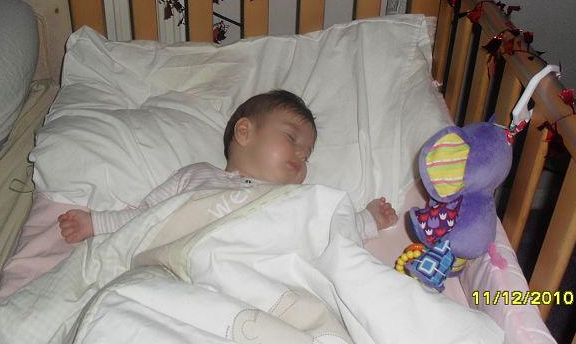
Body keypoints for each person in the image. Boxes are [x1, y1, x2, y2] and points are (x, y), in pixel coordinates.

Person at [58, 90, 397, 243]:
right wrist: (97, 223)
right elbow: (149, 216)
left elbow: (324, 226)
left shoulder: (292, 198)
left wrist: (366, 220)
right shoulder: (196, 175)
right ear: (244, 132)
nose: (301, 155)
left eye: (307, 154)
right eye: (291, 138)